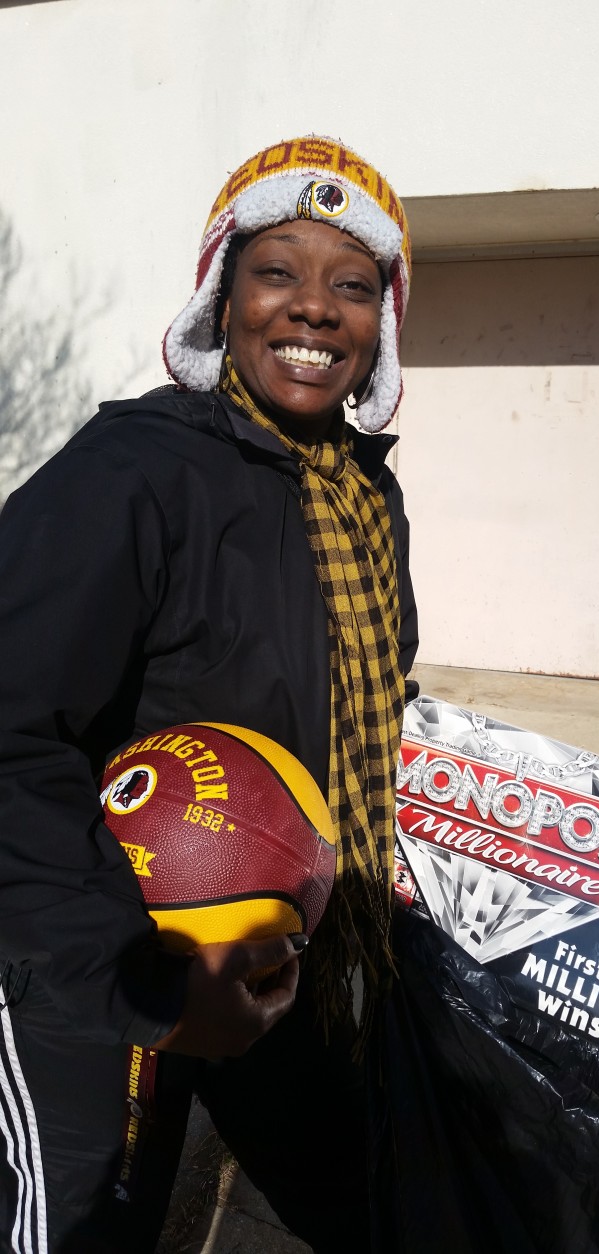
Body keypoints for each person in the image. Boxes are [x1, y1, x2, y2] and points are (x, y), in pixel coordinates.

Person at [0, 136, 418, 1253]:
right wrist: (132, 985)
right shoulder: (136, 471)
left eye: (354, 283)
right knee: (85, 1225)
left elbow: (370, 697)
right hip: (100, 967)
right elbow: (9, 734)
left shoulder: (370, 502)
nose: (315, 309)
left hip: (276, 949)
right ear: (223, 294)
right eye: (279, 269)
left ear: (383, 320)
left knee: (362, 1190)